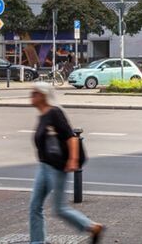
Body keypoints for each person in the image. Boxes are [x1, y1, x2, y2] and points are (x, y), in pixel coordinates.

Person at [29, 83, 104, 244]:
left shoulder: (55, 113)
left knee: (59, 208)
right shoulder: (43, 115)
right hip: (44, 166)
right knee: (35, 206)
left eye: (34, 93)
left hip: (57, 168)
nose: (31, 96)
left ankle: (92, 227)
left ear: (43, 95)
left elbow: (71, 137)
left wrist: (73, 160)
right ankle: (37, 241)